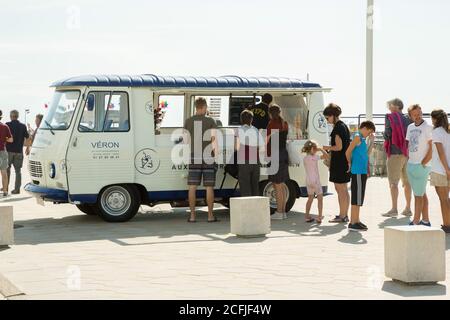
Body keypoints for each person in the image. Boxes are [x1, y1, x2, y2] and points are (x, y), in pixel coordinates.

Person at [183, 98, 218, 223]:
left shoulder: (188, 121)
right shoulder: (210, 121)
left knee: (192, 186)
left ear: (196, 107)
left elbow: (185, 141)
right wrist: (216, 155)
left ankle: (192, 216)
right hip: (208, 156)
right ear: (204, 107)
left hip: (194, 155)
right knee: (209, 187)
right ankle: (210, 216)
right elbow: (214, 140)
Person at [383, 98, 413, 218]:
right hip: (407, 153)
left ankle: (394, 209)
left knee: (393, 183)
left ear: (395, 106)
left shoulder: (390, 117)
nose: (389, 108)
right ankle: (408, 208)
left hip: (395, 153)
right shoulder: (408, 118)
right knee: (407, 182)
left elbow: (387, 134)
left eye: (389, 105)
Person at [345, 121, 376, 232]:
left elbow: (367, 154)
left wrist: (372, 142)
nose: (369, 134)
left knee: (359, 197)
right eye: (370, 131)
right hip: (357, 171)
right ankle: (353, 222)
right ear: (365, 128)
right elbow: (348, 152)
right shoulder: (357, 137)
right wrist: (349, 163)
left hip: (362, 172)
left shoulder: (362, 139)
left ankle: (356, 220)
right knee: (356, 197)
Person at [322, 103, 351, 223]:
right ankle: (345, 215)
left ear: (333, 116)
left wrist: (327, 147)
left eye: (327, 117)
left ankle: (342, 215)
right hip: (344, 162)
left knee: (340, 190)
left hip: (339, 163)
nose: (326, 120)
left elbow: (339, 147)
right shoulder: (343, 126)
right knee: (344, 190)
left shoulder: (337, 128)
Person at [405, 104, 433, 226]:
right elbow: (408, 144)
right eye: (414, 115)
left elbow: (432, 148)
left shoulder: (428, 127)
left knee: (417, 195)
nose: (417, 116)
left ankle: (416, 221)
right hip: (411, 164)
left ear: (421, 112)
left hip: (422, 166)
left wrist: (424, 162)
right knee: (421, 193)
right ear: (410, 116)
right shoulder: (410, 127)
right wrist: (408, 159)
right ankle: (425, 220)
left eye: (419, 113)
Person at [266, 104, 290, 220]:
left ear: (270, 113)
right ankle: (283, 211)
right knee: (282, 185)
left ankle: (279, 212)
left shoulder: (271, 124)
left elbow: (268, 141)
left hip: (275, 155)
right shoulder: (284, 123)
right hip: (284, 154)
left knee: (277, 185)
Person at [430, 109, 450, 233]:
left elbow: (440, 152)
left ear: (435, 119)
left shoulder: (437, 132)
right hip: (447, 168)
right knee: (446, 199)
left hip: (440, 170)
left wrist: (447, 170)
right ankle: (447, 223)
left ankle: (447, 225)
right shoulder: (448, 131)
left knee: (443, 200)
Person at [235, 110, 263, 197]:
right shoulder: (255, 130)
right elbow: (260, 145)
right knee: (255, 184)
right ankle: (255, 206)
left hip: (244, 160)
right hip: (255, 160)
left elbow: (236, 147)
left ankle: (247, 207)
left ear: (241, 119)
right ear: (251, 120)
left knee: (245, 185)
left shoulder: (239, 130)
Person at [302, 140, 329, 224]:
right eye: (315, 149)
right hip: (315, 181)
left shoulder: (305, 158)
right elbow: (326, 156)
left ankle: (307, 216)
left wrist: (315, 149)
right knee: (320, 199)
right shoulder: (314, 157)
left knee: (310, 198)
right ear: (312, 149)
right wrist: (321, 149)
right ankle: (319, 217)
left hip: (308, 181)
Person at [6, 110, 30, 194]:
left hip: (9, 151)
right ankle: (17, 189)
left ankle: (5, 188)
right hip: (19, 151)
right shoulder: (23, 126)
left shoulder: (7, 125)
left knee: (7, 170)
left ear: (11, 116)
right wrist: (27, 148)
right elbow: (27, 137)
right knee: (18, 171)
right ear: (18, 116)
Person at [0, 111, 13, 197]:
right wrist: (4, 140)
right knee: (4, 172)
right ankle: (5, 191)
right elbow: (11, 140)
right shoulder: (5, 126)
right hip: (2, 151)